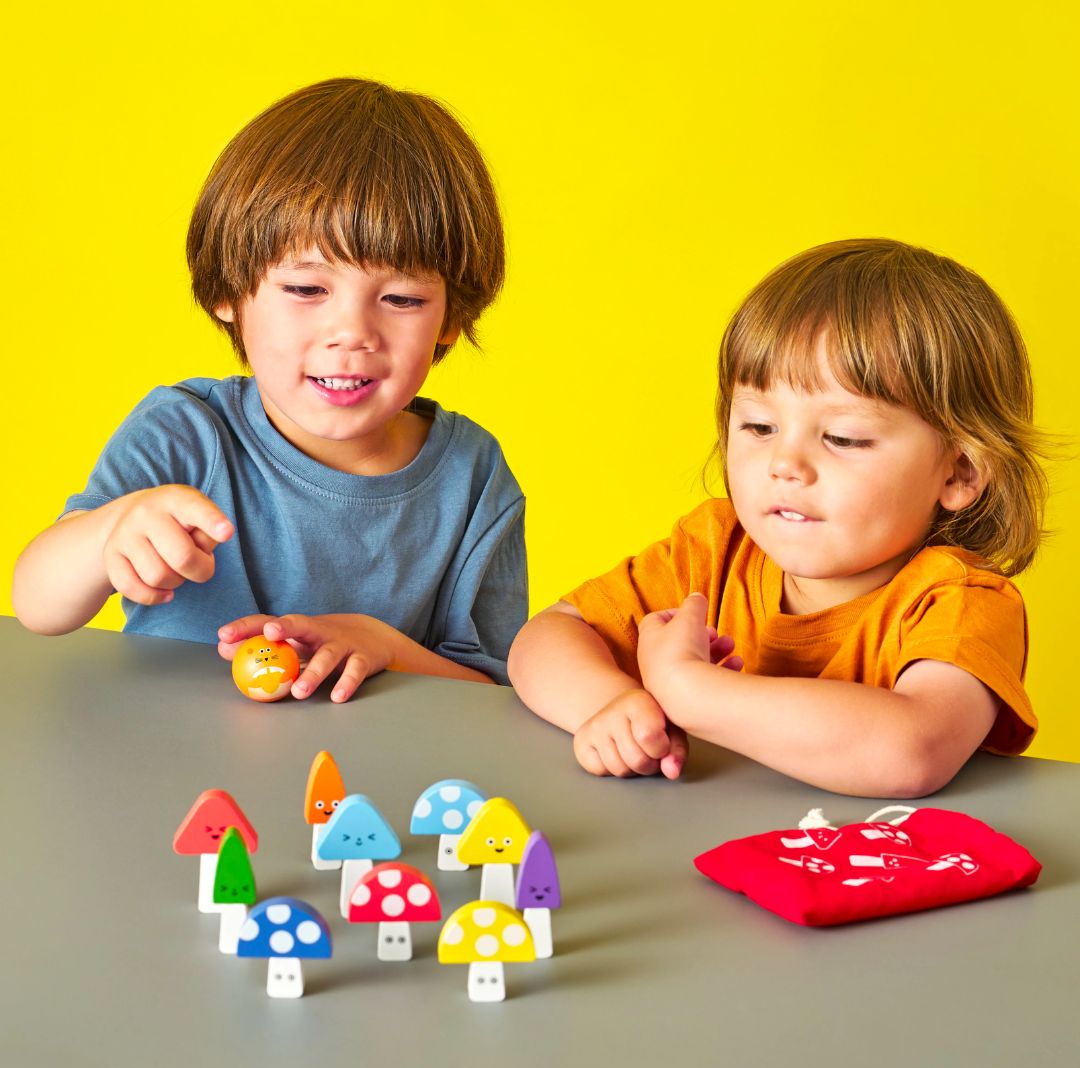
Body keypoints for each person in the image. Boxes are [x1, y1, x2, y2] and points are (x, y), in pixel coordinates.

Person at [13, 78, 526, 698]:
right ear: (229, 292)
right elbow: (39, 607)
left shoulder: (473, 474)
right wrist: (108, 532)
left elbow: (492, 691)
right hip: (180, 771)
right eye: (307, 289)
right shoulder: (185, 432)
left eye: (401, 298)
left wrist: (383, 645)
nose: (351, 333)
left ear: (450, 318)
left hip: (370, 786)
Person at [508, 239, 1049, 797]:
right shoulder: (716, 547)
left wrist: (691, 692)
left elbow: (912, 751)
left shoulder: (961, 603)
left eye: (843, 437)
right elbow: (547, 636)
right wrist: (611, 706)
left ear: (958, 472)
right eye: (760, 428)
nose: (785, 464)